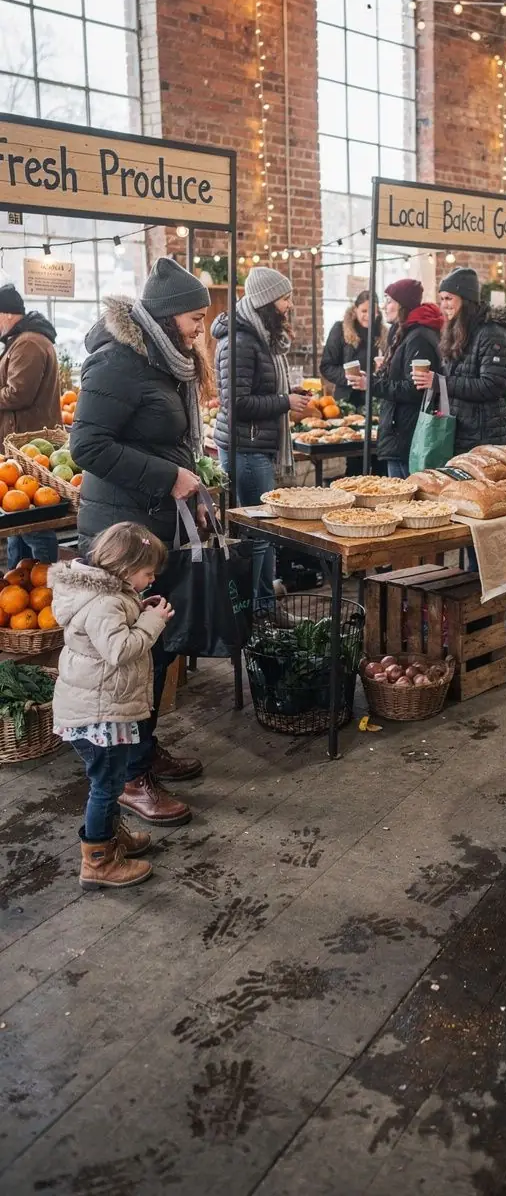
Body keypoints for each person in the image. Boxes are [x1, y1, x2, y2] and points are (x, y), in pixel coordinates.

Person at [70, 257, 212, 823]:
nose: (201, 328)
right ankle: (129, 778)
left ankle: (143, 750)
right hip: (121, 535)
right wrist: (168, 476)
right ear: (166, 316)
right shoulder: (118, 364)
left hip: (153, 525)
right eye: (195, 318)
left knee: (156, 645)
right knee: (127, 656)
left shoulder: (162, 362)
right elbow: (87, 448)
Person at [50, 522, 175, 890]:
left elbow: (112, 629)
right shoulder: (104, 602)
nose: (151, 579)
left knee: (109, 780)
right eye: (147, 573)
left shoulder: (104, 594)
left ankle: (110, 839)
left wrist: (139, 610)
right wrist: (153, 622)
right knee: (106, 786)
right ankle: (98, 862)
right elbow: (119, 650)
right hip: (99, 713)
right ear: (123, 568)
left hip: (98, 706)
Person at [212, 267, 309, 596]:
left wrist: (287, 391)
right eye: (285, 299)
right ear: (266, 303)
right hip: (246, 450)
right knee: (258, 533)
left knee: (263, 533)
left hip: (256, 446)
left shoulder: (257, 337)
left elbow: (256, 387)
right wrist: (284, 401)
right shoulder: (239, 341)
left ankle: (264, 606)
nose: (289, 305)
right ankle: (257, 612)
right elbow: (236, 404)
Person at [413, 267, 506, 456]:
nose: (444, 305)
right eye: (442, 299)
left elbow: (492, 385)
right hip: (459, 432)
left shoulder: (493, 333)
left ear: (466, 299)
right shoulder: (458, 331)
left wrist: (439, 382)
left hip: (483, 438)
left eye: (449, 298)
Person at [347, 278, 442, 478]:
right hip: (400, 431)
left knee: (404, 500)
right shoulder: (403, 333)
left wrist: (370, 384)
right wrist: (373, 378)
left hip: (407, 435)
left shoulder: (418, 337)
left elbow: (414, 389)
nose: (384, 306)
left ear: (402, 305)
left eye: (389, 301)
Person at [0, 284, 61, 571]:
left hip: (28, 446)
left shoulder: (28, 343)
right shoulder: (26, 340)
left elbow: (18, 394)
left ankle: (47, 582)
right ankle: (18, 578)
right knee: (21, 522)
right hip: (25, 446)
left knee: (34, 525)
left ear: (6, 315)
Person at [319, 290, 385, 408]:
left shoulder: (384, 335)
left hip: (374, 401)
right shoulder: (340, 330)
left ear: (378, 313)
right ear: (355, 310)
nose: (368, 316)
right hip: (345, 401)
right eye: (364, 311)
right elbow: (326, 366)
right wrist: (350, 377)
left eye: (372, 312)